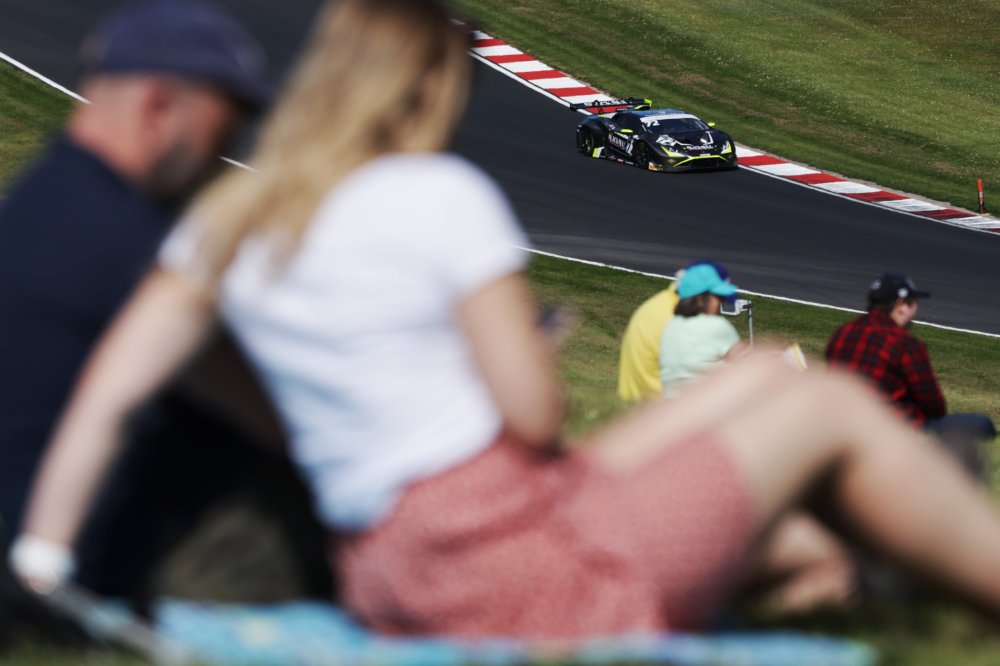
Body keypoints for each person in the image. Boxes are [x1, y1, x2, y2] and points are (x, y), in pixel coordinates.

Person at [13, 0, 1000, 640]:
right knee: (821, 406)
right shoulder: (442, 197)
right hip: (503, 556)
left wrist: (42, 564)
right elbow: (532, 417)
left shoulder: (224, 222)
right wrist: (525, 352)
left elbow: (111, 392)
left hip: (386, 559)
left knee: (751, 381)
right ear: (428, 93)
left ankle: (843, 558)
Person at [0, 0, 330, 606]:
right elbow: (277, 412)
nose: (225, 150)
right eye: (222, 127)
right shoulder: (138, 250)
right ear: (158, 107)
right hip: (97, 562)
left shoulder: (35, 200)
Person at [825, 273, 996, 474]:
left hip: (842, 422)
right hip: (894, 428)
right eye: (913, 303)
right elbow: (934, 406)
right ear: (901, 305)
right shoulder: (904, 344)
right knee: (982, 424)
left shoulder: (842, 333)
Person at [617, 261, 729, 402]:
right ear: (702, 298)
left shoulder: (659, 304)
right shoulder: (682, 322)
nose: (720, 308)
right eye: (720, 299)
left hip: (636, 403)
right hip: (660, 408)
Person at [659, 263, 746, 396]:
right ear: (700, 300)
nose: (721, 302)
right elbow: (746, 363)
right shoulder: (717, 325)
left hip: (671, 403)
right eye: (718, 298)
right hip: (710, 402)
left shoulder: (671, 326)